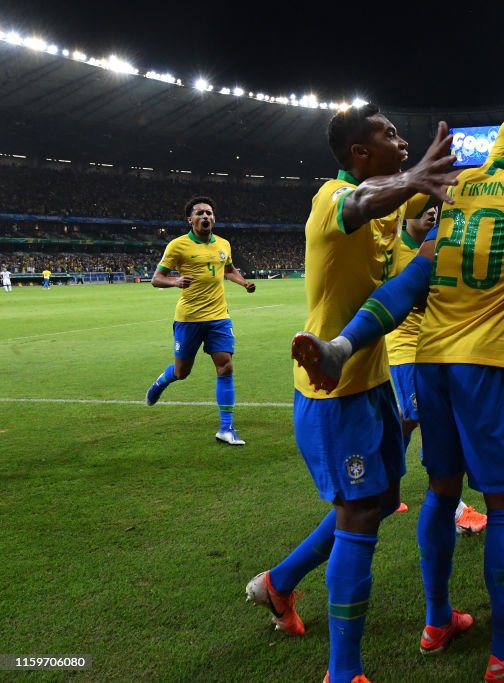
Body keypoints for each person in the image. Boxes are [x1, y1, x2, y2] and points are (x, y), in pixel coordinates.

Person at [292, 140, 504, 682]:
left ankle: (436, 621)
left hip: (432, 359)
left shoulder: (458, 191)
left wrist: (345, 343)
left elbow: (413, 281)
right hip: (499, 362)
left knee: (441, 490)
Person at [246, 104, 458, 683]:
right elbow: (361, 203)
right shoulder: (331, 200)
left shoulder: (386, 214)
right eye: (388, 135)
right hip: (329, 388)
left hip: (370, 381)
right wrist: (414, 181)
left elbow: (397, 277)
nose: (401, 139)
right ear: (360, 154)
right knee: (362, 513)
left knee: (379, 500)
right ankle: (343, 673)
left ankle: (279, 583)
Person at [385, 205, 488, 534]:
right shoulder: (398, 252)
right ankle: (454, 506)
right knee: (424, 418)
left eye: (433, 207)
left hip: (434, 345)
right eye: (421, 208)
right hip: (407, 347)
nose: (431, 213)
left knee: (409, 419)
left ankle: (386, 485)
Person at [144, 197, 255, 445]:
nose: (206, 217)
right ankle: (161, 381)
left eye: (209, 213)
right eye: (200, 213)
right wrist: (175, 281)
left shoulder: (223, 244)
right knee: (182, 372)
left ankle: (226, 428)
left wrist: (243, 282)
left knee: (225, 366)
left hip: (219, 317)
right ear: (190, 220)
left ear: (214, 218)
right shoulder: (178, 246)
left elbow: (228, 269)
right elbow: (156, 278)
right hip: (189, 319)